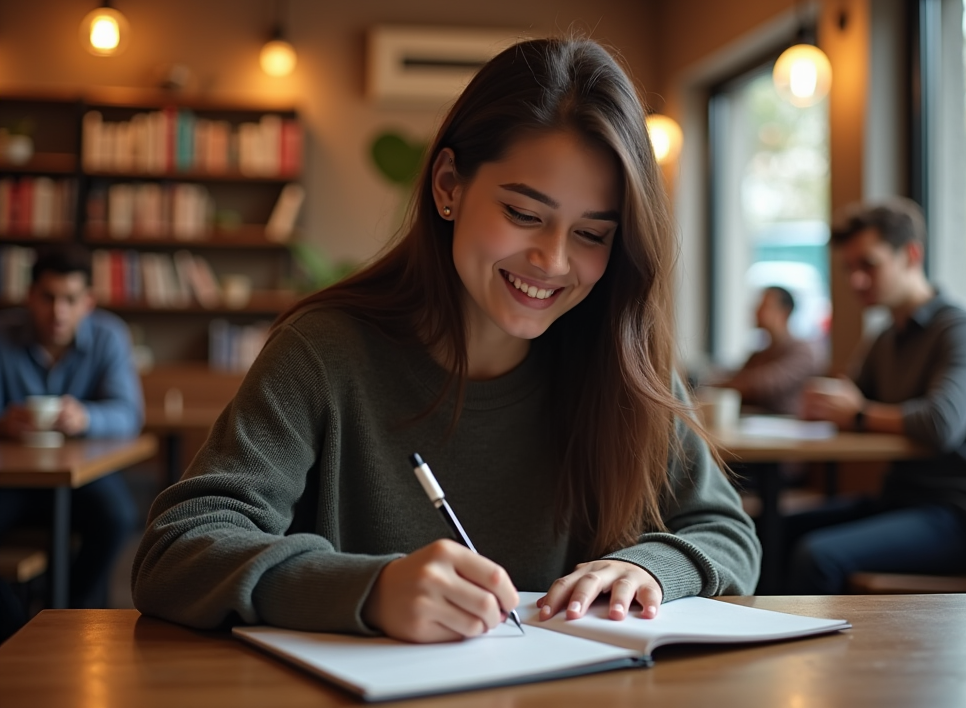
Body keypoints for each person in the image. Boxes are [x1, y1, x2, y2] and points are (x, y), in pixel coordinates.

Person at [132, 37, 760, 643]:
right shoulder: (324, 351)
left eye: (592, 234)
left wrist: (652, 568)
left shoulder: (618, 360)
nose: (552, 260)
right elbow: (177, 549)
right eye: (523, 213)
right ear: (448, 186)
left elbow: (726, 531)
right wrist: (368, 589)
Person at [791, 198, 966, 593]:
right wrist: (826, 404)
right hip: (899, 501)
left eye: (869, 265)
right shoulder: (887, 337)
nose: (856, 280)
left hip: (959, 518)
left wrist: (858, 415)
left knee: (817, 554)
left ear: (911, 254)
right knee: (767, 530)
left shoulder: (962, 331)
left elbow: (940, 424)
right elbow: (850, 397)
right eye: (849, 269)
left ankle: (823, 654)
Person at [0, 245, 143, 609]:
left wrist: (86, 418)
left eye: (70, 299)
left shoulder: (108, 336)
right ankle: (16, 627)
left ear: (88, 302)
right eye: (47, 298)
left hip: (82, 478)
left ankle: (62, 611)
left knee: (118, 516)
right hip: (14, 480)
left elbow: (129, 413)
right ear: (30, 296)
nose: (58, 312)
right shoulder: (4, 336)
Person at [714, 286, 818, 415]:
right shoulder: (761, 353)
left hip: (787, 425)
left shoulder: (801, 352)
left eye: (764, 306)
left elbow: (763, 385)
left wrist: (721, 384)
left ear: (784, 312)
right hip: (758, 423)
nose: (756, 311)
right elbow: (738, 379)